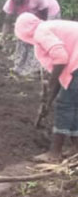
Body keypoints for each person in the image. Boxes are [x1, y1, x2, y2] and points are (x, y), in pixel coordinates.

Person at [14, 13, 78, 162]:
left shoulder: (41, 31)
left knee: (64, 105)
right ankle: (76, 148)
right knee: (74, 105)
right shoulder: (50, 27)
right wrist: (48, 101)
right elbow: (62, 76)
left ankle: (54, 153)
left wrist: (50, 85)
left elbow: (61, 58)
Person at [0, 0, 61, 77]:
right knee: (22, 38)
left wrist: (35, 34)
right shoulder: (10, 3)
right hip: (31, 16)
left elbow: (43, 21)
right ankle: (19, 66)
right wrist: (2, 37)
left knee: (39, 40)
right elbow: (7, 21)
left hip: (50, 12)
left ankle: (36, 69)